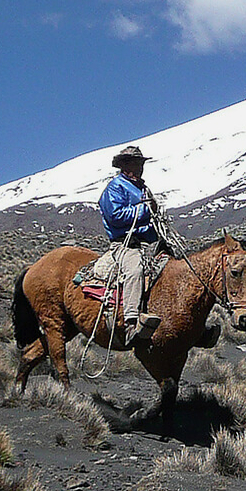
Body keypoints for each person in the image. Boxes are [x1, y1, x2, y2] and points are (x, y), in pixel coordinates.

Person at [95, 146, 163, 344]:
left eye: (140, 163)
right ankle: (131, 323)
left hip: (147, 242)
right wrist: (144, 209)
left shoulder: (143, 188)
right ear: (124, 165)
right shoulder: (115, 187)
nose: (139, 166)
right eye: (134, 162)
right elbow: (115, 216)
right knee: (135, 270)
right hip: (125, 244)